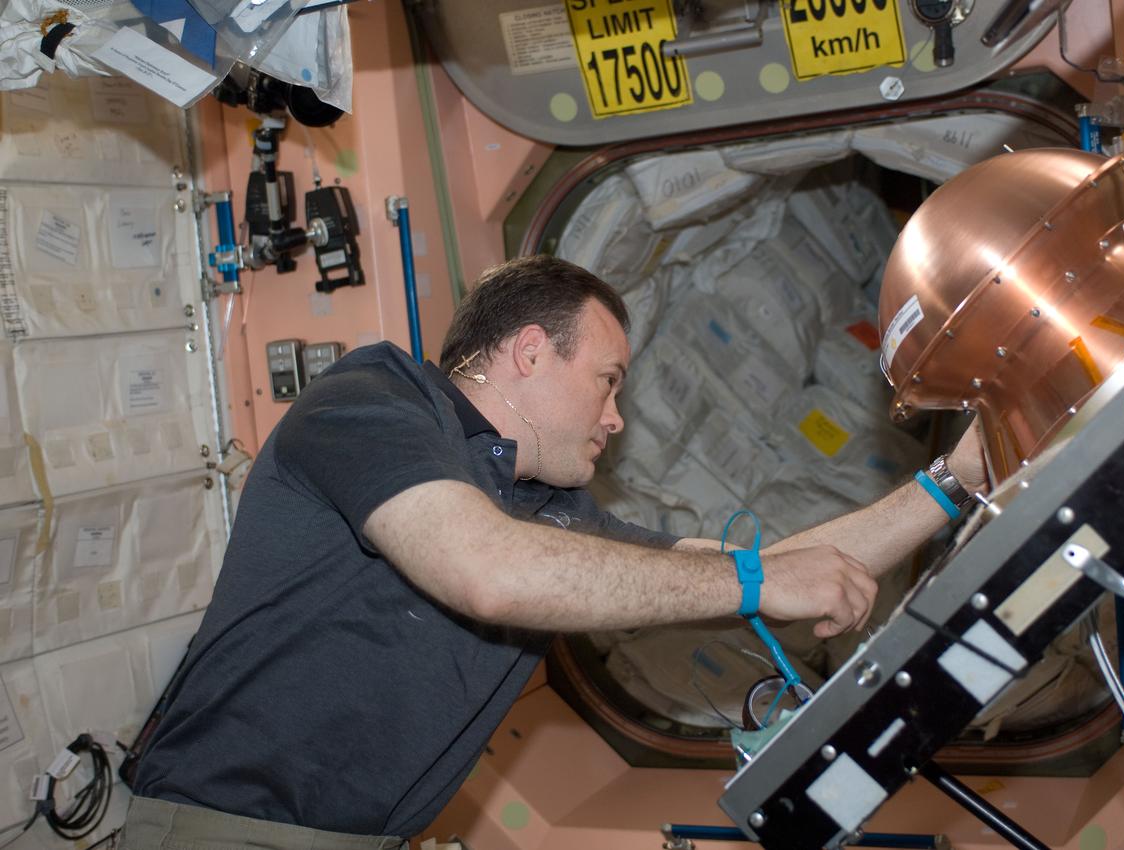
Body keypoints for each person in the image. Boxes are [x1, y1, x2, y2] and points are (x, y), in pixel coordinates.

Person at [122, 255, 987, 849]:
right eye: (608, 382)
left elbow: (775, 566)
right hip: (227, 829)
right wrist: (759, 579)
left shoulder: (552, 514)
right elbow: (488, 573)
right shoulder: (373, 399)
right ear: (530, 351)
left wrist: (953, 481)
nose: (616, 418)